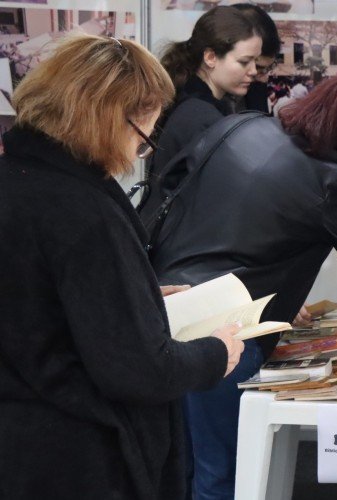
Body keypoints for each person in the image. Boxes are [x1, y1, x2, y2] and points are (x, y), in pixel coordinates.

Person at [147, 70, 337, 499]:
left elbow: (173, 190)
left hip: (164, 312)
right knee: (222, 475)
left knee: (174, 465)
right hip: (228, 333)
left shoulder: (241, 125)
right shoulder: (329, 178)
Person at [0, 34, 245, 499]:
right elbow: (138, 369)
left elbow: (40, 303)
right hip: (79, 456)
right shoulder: (80, 208)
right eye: (144, 135)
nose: (141, 152)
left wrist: (142, 294)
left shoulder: (17, 179)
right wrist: (217, 353)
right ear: (110, 118)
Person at [147, 6, 264, 190]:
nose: (254, 71)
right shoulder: (200, 118)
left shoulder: (192, 102)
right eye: (244, 62)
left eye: (255, 61)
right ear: (210, 57)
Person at [231, 3, 282, 113]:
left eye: (268, 68)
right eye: (258, 67)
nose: (264, 78)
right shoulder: (191, 106)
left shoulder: (256, 88)